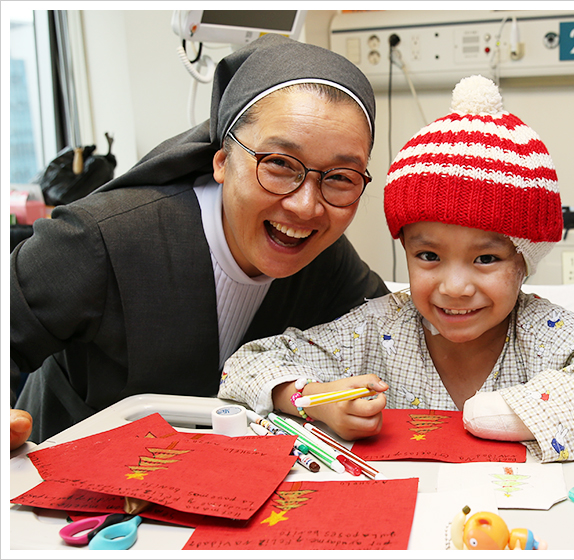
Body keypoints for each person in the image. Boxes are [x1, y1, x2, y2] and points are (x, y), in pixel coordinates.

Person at [217, 75, 574, 462]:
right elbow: (245, 367)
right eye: (428, 257)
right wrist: (315, 400)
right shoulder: (377, 331)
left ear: (525, 261)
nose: (454, 287)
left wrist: (513, 414)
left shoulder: (544, 336)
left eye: (486, 259)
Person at [10, 33, 388, 447]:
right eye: (279, 164)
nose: (305, 206)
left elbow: (401, 335)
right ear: (222, 161)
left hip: (221, 493)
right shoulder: (100, 240)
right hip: (61, 490)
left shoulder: (327, 262)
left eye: (340, 178)